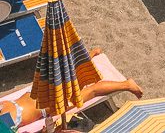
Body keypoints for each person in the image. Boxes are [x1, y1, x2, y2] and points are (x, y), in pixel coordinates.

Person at [0, 48, 143, 127]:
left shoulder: (5, 127)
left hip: (47, 106)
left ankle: (126, 85)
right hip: (35, 93)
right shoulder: (3, 109)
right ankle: (91, 54)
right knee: (66, 77)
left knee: (90, 91)